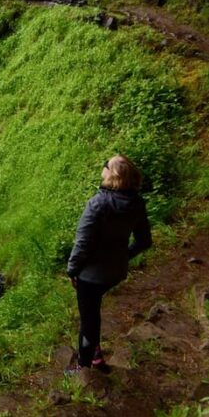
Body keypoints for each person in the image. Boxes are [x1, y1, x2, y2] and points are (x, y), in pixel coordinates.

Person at [66, 154, 152, 371]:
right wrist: (124, 256)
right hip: (115, 272)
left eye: (106, 164)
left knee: (89, 321)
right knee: (92, 311)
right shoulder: (136, 204)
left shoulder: (98, 204)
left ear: (112, 175)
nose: (102, 167)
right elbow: (144, 241)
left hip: (90, 275)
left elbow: (82, 242)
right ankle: (95, 357)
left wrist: (72, 270)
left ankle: (83, 366)